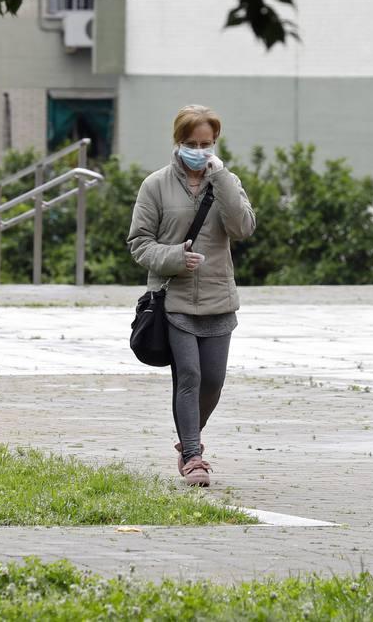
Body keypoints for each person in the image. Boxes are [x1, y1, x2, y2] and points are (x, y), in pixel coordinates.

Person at [127, 104, 255, 486]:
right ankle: (195, 457)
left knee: (213, 381)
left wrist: (224, 181)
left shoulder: (225, 181)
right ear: (178, 142)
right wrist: (175, 258)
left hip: (219, 297)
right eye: (192, 143)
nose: (199, 151)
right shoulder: (155, 185)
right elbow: (139, 244)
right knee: (190, 376)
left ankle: (187, 440)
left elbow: (244, 227)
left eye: (207, 143)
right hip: (175, 298)